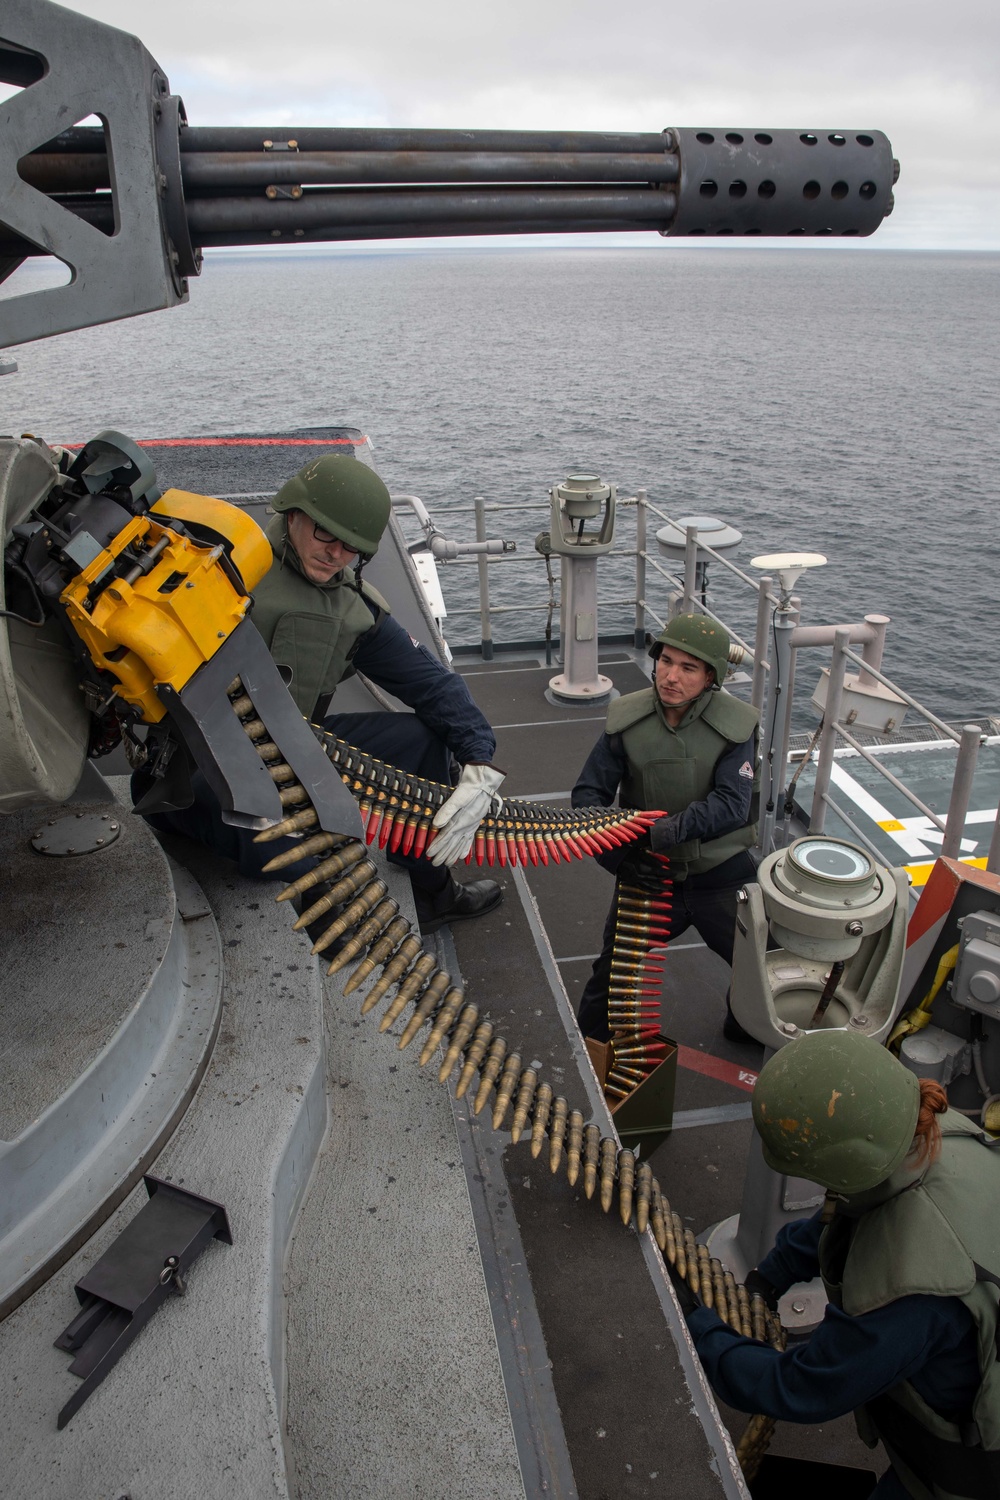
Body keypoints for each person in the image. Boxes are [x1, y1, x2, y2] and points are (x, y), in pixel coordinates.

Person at [136, 453, 503, 932]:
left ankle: (433, 890)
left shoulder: (349, 607)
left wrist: (480, 761)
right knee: (286, 827)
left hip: (292, 749)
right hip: (192, 777)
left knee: (425, 740)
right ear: (293, 515)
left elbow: (432, 684)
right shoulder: (212, 572)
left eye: (351, 547)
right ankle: (321, 922)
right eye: (325, 534)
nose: (336, 555)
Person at [666, 1030, 1000, 1500]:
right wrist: (767, 1279)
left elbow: (806, 1387)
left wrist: (699, 1328)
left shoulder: (915, 1288)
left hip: (971, 1469)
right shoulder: (930, 1137)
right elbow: (841, 1215)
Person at [571, 613, 759, 1043]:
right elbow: (587, 801)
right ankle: (591, 1059)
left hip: (720, 873)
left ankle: (744, 1022)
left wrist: (660, 834)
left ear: (711, 677)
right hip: (648, 873)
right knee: (611, 976)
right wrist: (621, 859)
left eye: (688, 668)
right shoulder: (625, 721)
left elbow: (732, 804)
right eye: (665, 661)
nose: (670, 676)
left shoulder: (737, 726)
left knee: (763, 971)